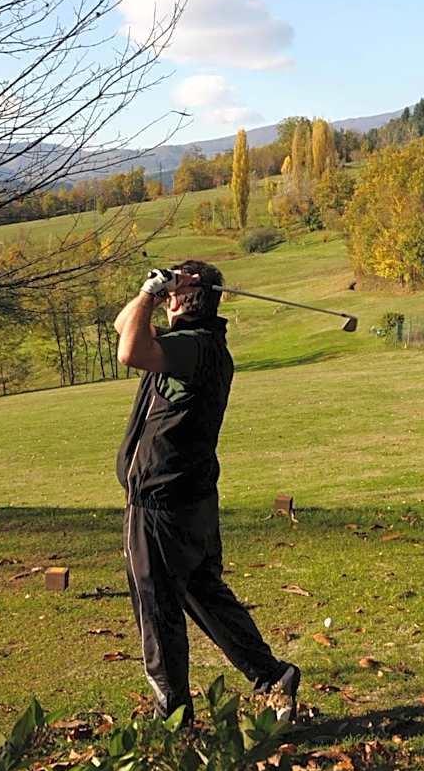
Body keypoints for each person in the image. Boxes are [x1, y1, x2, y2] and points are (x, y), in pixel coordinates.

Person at [114, 261, 300, 724]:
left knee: (157, 608)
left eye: (175, 285)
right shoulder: (203, 344)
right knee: (205, 595)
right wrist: (152, 295)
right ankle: (272, 676)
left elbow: (129, 350)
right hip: (191, 498)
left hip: (160, 501)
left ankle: (174, 718)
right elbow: (124, 325)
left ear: (184, 298)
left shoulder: (190, 348)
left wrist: (155, 294)